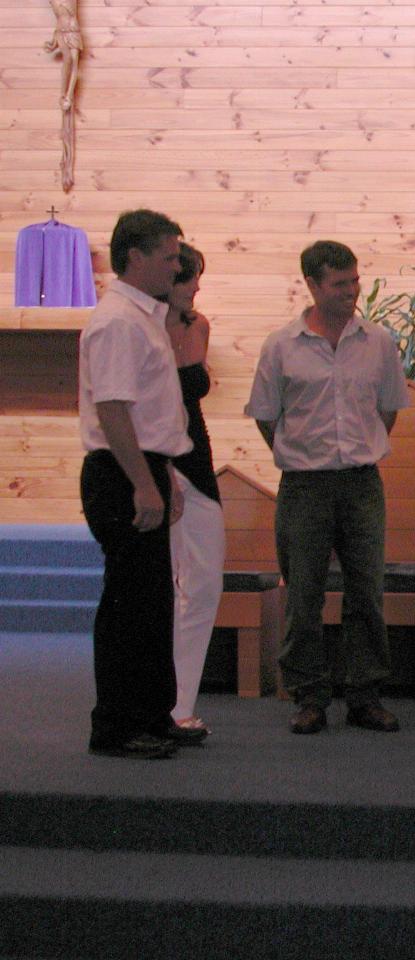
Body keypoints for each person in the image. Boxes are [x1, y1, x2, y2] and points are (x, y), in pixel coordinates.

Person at [245, 240, 411, 735]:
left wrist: (358, 448)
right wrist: (304, 455)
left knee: (367, 591)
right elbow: (267, 418)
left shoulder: (378, 341)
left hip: (362, 483)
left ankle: (364, 695)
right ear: (313, 285)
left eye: (355, 280)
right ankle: (310, 696)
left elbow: (388, 410)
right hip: (304, 486)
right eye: (340, 284)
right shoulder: (280, 346)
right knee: (303, 594)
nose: (352, 291)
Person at [79, 209, 205, 758]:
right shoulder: (116, 321)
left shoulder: (144, 317)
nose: (177, 266)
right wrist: (142, 484)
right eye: (170, 256)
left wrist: (165, 477)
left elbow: (154, 414)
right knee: (129, 605)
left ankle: (153, 716)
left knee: (153, 603)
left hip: (145, 466)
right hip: (119, 472)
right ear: (135, 257)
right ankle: (115, 727)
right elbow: (112, 410)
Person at [165, 243, 225, 735]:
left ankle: (183, 701)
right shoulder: (140, 329)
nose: (198, 288)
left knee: (204, 585)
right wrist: (161, 474)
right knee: (158, 589)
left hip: (197, 458)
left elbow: (189, 399)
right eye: (191, 279)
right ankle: (156, 701)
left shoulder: (198, 326)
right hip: (154, 462)